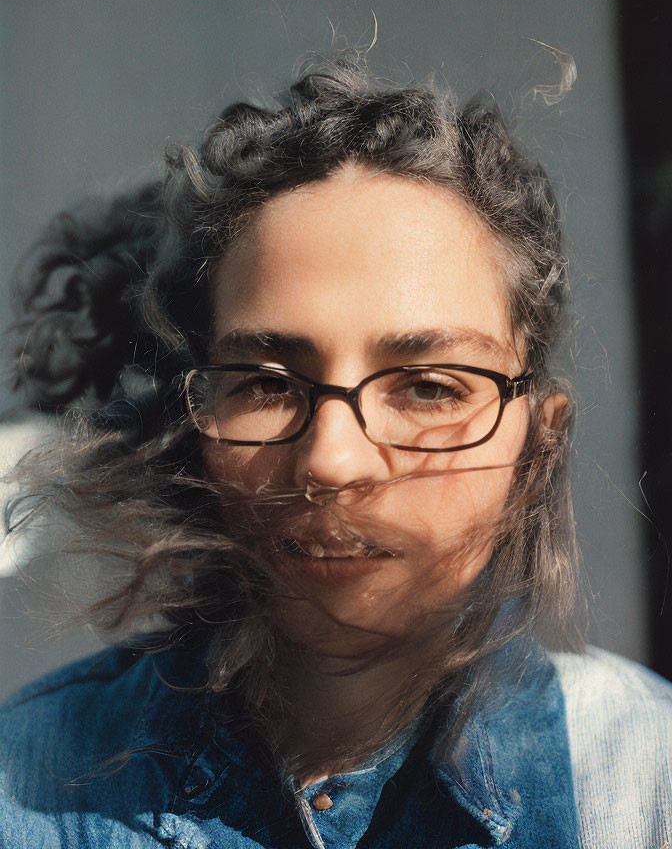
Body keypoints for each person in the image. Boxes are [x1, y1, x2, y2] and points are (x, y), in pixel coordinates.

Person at [1, 57, 670, 849]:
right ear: (191, 413)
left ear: (540, 434)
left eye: (428, 387)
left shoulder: (643, 783)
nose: (333, 463)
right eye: (265, 383)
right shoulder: (26, 791)